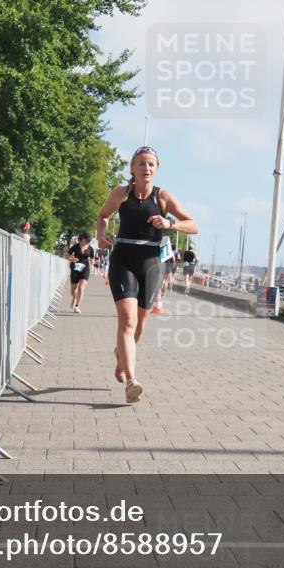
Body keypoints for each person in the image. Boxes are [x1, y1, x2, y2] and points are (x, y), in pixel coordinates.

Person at [97, 146, 198, 403]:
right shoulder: (121, 194)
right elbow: (103, 216)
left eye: (151, 164)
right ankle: (131, 382)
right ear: (133, 167)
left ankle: (121, 357)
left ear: (157, 169)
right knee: (128, 320)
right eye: (141, 163)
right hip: (123, 260)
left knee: (140, 325)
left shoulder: (162, 197)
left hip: (152, 264)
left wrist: (170, 223)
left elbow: (193, 225)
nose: (147, 168)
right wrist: (101, 234)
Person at [67, 232, 94, 313]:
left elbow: (92, 258)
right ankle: (74, 298)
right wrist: (71, 258)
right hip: (75, 268)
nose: (88, 242)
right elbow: (67, 254)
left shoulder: (90, 248)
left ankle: (77, 306)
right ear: (82, 238)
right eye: (87, 240)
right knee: (73, 291)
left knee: (81, 288)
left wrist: (92, 261)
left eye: (89, 241)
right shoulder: (75, 246)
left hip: (85, 268)